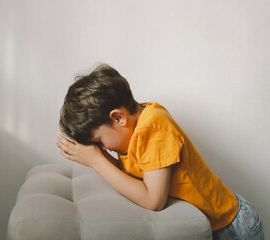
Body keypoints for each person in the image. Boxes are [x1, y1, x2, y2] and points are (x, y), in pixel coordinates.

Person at [56, 64, 264, 239]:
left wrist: (96, 162)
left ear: (118, 118)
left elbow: (153, 200)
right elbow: (129, 176)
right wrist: (95, 157)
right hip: (214, 224)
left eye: (99, 141)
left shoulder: (152, 126)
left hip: (233, 226)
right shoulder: (129, 130)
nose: (103, 149)